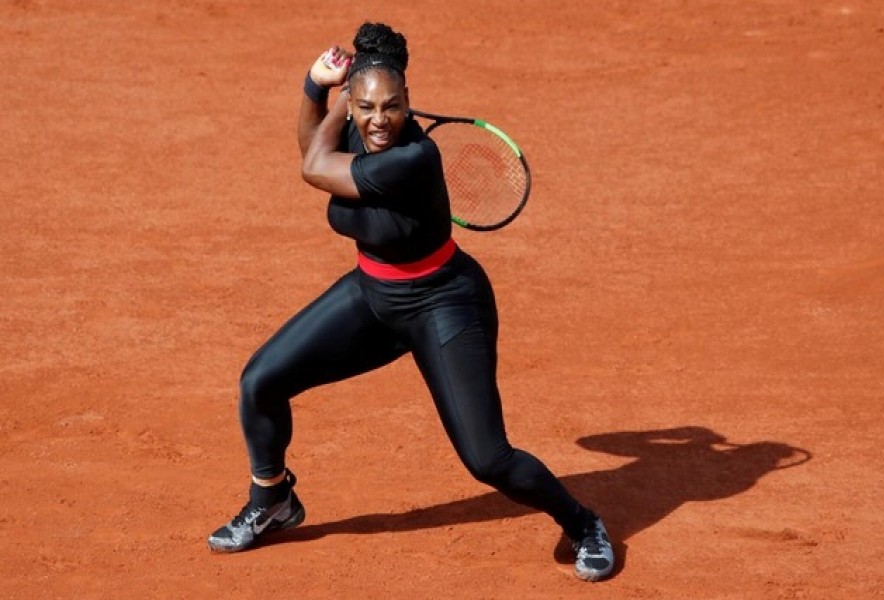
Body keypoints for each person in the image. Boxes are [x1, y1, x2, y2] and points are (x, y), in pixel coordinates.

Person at [207, 22, 614, 582]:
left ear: (409, 104)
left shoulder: (413, 158)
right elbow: (311, 146)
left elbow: (312, 166)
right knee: (260, 381)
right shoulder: (360, 129)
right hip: (373, 296)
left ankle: (583, 521)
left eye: (392, 107)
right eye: (369, 107)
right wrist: (315, 88)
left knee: (487, 459)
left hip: (444, 303)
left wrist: (339, 96)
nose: (380, 120)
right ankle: (272, 498)